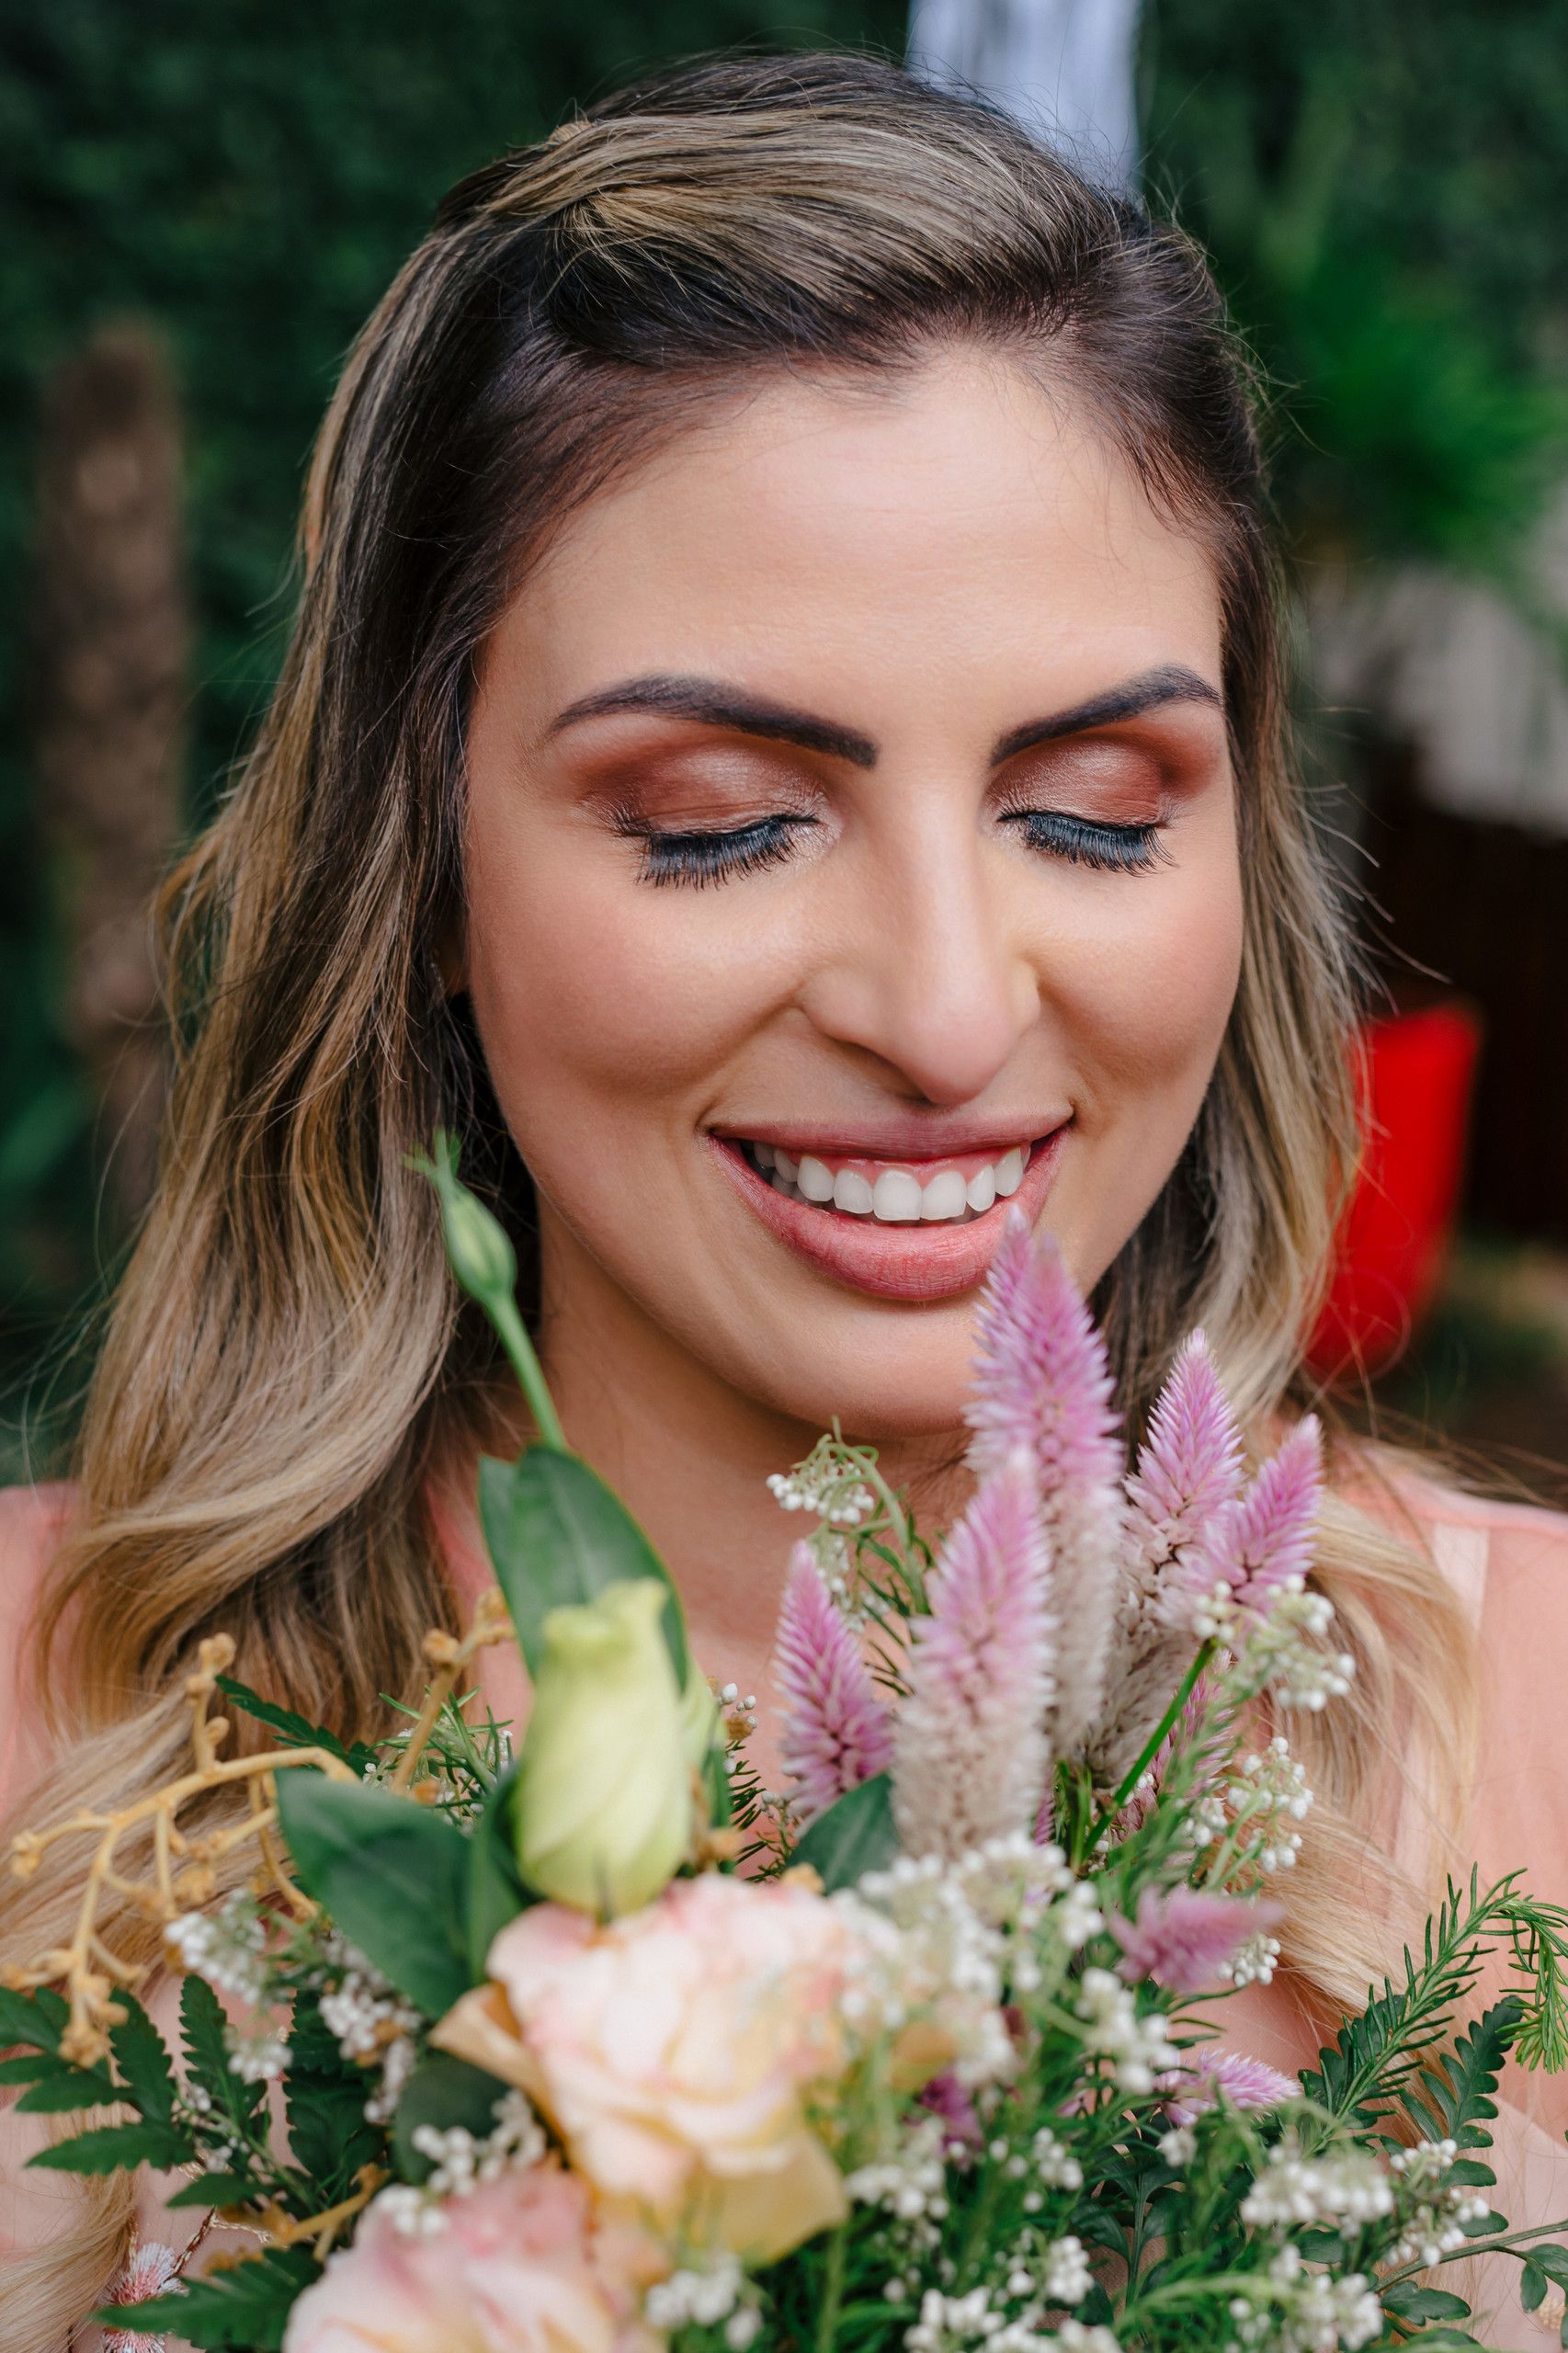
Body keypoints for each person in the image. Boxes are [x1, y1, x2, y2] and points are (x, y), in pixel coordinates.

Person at [2, 51, 1564, 2352]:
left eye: (1094, 813)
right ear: (419, 874)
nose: (942, 1010)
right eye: (721, 818)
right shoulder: (52, 1737)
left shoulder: (1535, 1712)